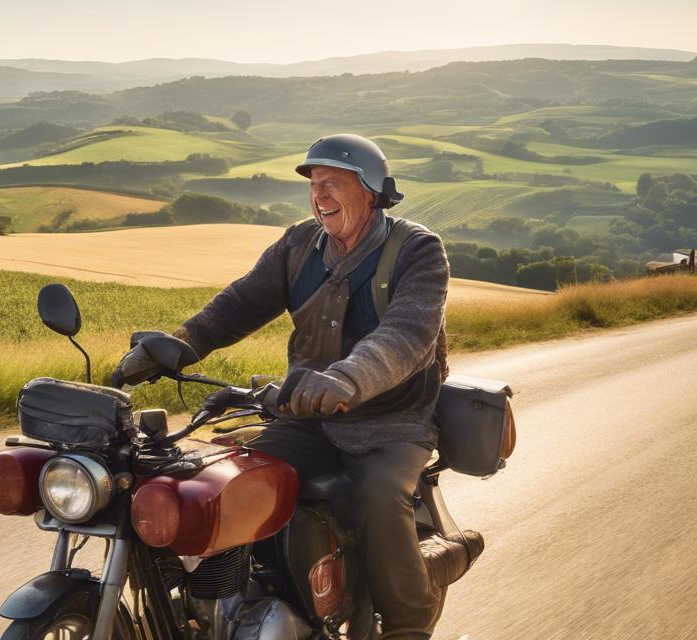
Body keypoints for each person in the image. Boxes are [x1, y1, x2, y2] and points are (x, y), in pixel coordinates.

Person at [114, 134, 451, 639]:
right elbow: (239, 305)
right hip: (306, 415)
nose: (321, 195)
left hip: (388, 423)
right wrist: (177, 345)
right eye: (315, 185)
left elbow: (405, 336)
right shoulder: (299, 245)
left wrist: (346, 379)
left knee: (381, 496)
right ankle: (231, 604)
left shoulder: (417, 251)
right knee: (224, 482)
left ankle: (408, 628)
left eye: (334, 183)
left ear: (373, 191)